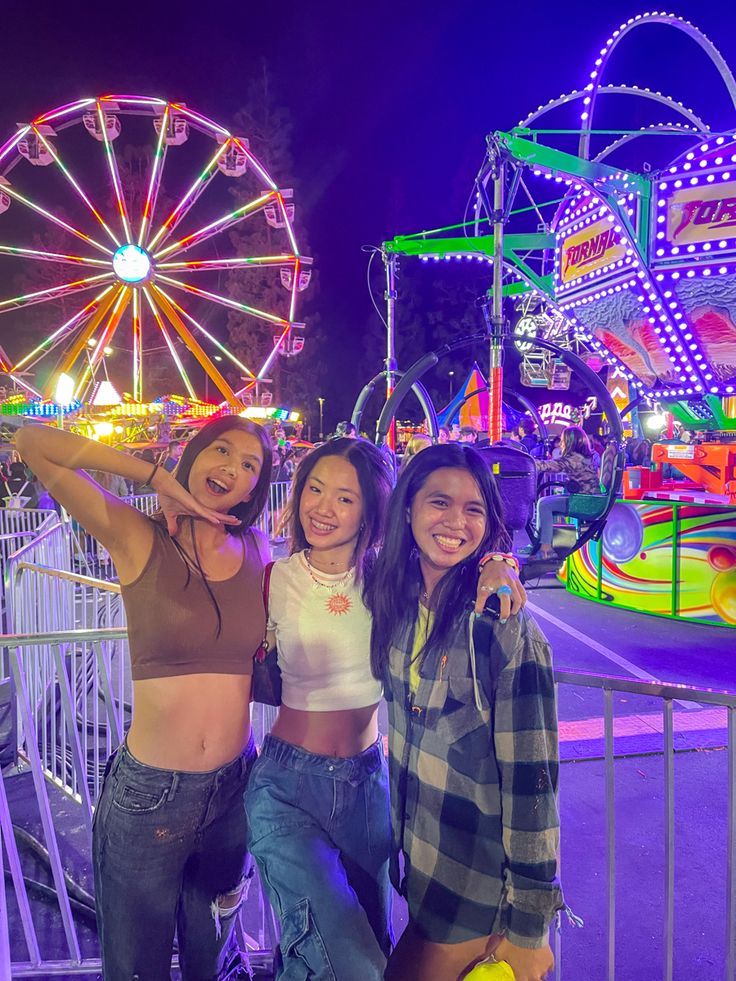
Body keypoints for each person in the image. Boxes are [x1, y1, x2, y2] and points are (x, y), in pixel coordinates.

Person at [245, 438, 527, 980]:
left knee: (354, 943)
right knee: (349, 962)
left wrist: (498, 561)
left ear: (375, 508)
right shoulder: (272, 577)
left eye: (346, 498)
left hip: (367, 789)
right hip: (285, 786)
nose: (323, 508)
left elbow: (458, 549)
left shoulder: (393, 579)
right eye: (315, 489)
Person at [16, 415, 272, 980]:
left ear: (257, 486)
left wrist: (496, 559)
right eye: (221, 450)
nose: (232, 468)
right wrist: (153, 475)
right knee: (137, 966)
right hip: (150, 796)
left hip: (234, 790)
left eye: (250, 464)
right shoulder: (137, 536)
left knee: (216, 958)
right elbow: (31, 442)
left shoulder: (257, 545)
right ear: (192, 455)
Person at [367, 444, 563, 981]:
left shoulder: (501, 625)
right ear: (407, 510)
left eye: (474, 509)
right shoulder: (399, 602)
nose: (456, 522)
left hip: (480, 895)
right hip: (423, 875)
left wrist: (528, 929)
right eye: (439, 503)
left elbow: (533, 781)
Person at [529, 425, 600, 559]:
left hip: (584, 502)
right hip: (589, 499)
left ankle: (546, 548)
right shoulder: (586, 456)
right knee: (543, 502)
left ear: (569, 442)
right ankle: (539, 543)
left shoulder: (574, 459)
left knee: (545, 505)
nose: (561, 443)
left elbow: (547, 466)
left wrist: (525, 461)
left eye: (562, 440)